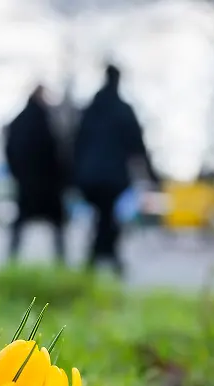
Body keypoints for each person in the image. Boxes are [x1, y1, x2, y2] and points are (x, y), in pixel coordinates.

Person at [73, 64, 158, 276]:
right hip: (113, 177)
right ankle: (106, 256)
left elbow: (77, 143)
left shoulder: (91, 109)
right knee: (108, 216)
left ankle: (100, 255)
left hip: (90, 175)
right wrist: (152, 174)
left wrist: (73, 175)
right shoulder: (123, 110)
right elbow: (137, 146)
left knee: (104, 216)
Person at [4, 85, 67, 263]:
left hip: (27, 183)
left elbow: (10, 150)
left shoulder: (19, 121)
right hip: (47, 184)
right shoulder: (47, 120)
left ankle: (12, 260)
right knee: (56, 225)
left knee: (21, 224)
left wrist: (17, 174)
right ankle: (61, 261)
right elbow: (57, 152)